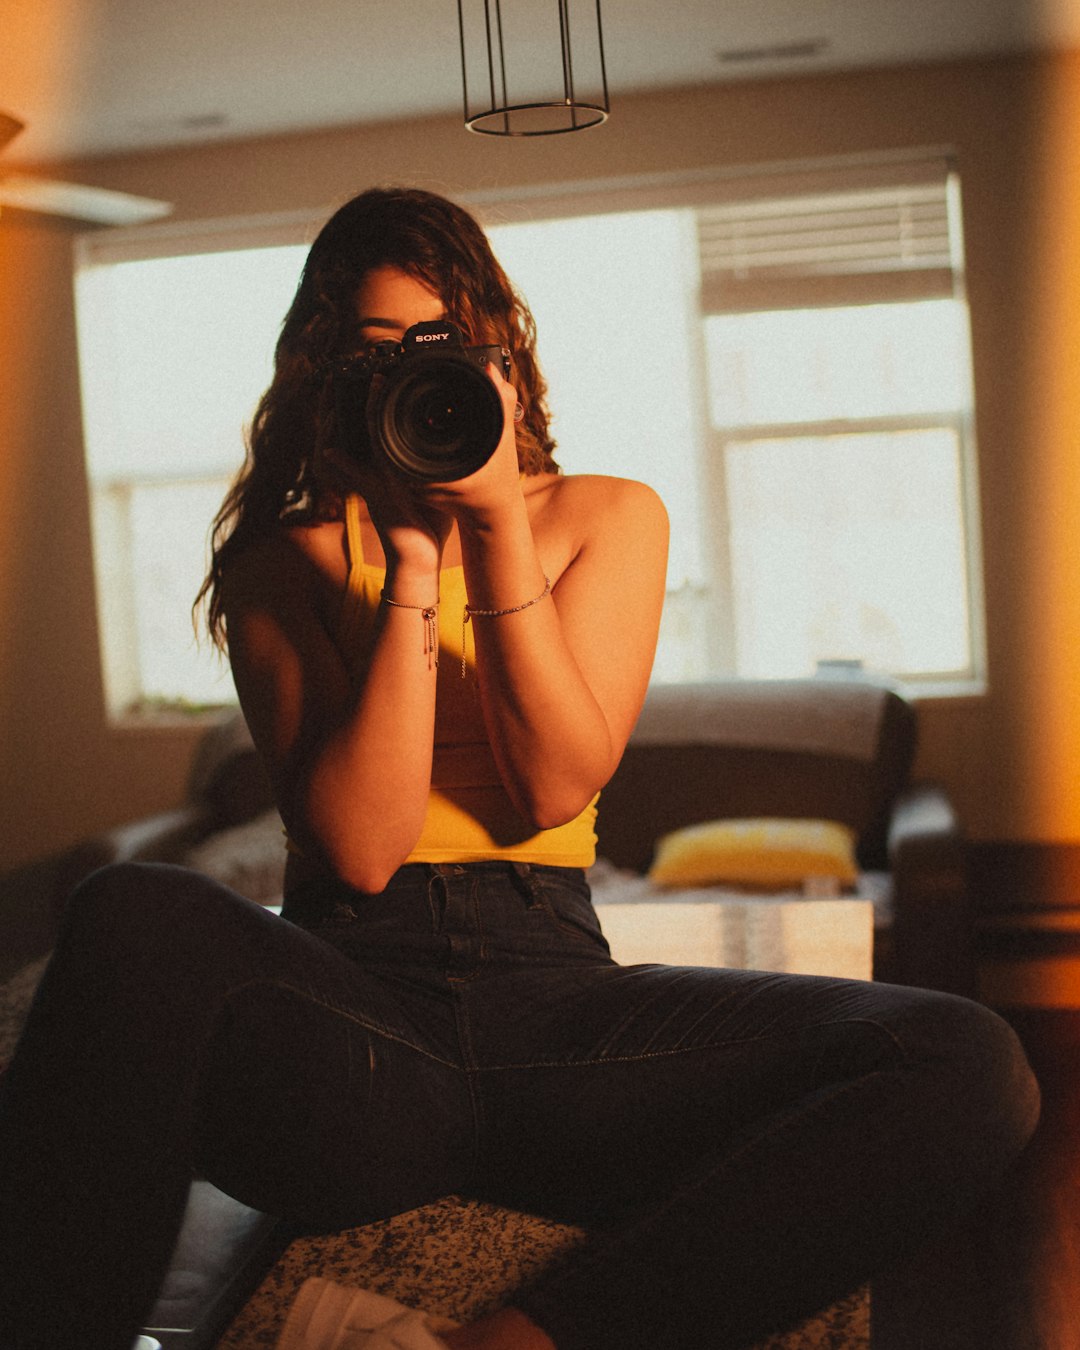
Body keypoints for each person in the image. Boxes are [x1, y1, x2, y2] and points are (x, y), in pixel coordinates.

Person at [0, 186, 1039, 1350]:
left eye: (432, 351)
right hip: (358, 1035)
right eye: (372, 355)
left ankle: (538, 1340)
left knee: (967, 1061)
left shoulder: (606, 517)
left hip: (566, 1018)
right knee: (129, 911)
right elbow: (360, 845)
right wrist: (405, 562)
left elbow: (553, 785)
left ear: (498, 355)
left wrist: (490, 529)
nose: (405, 380)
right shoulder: (280, 561)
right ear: (326, 377)